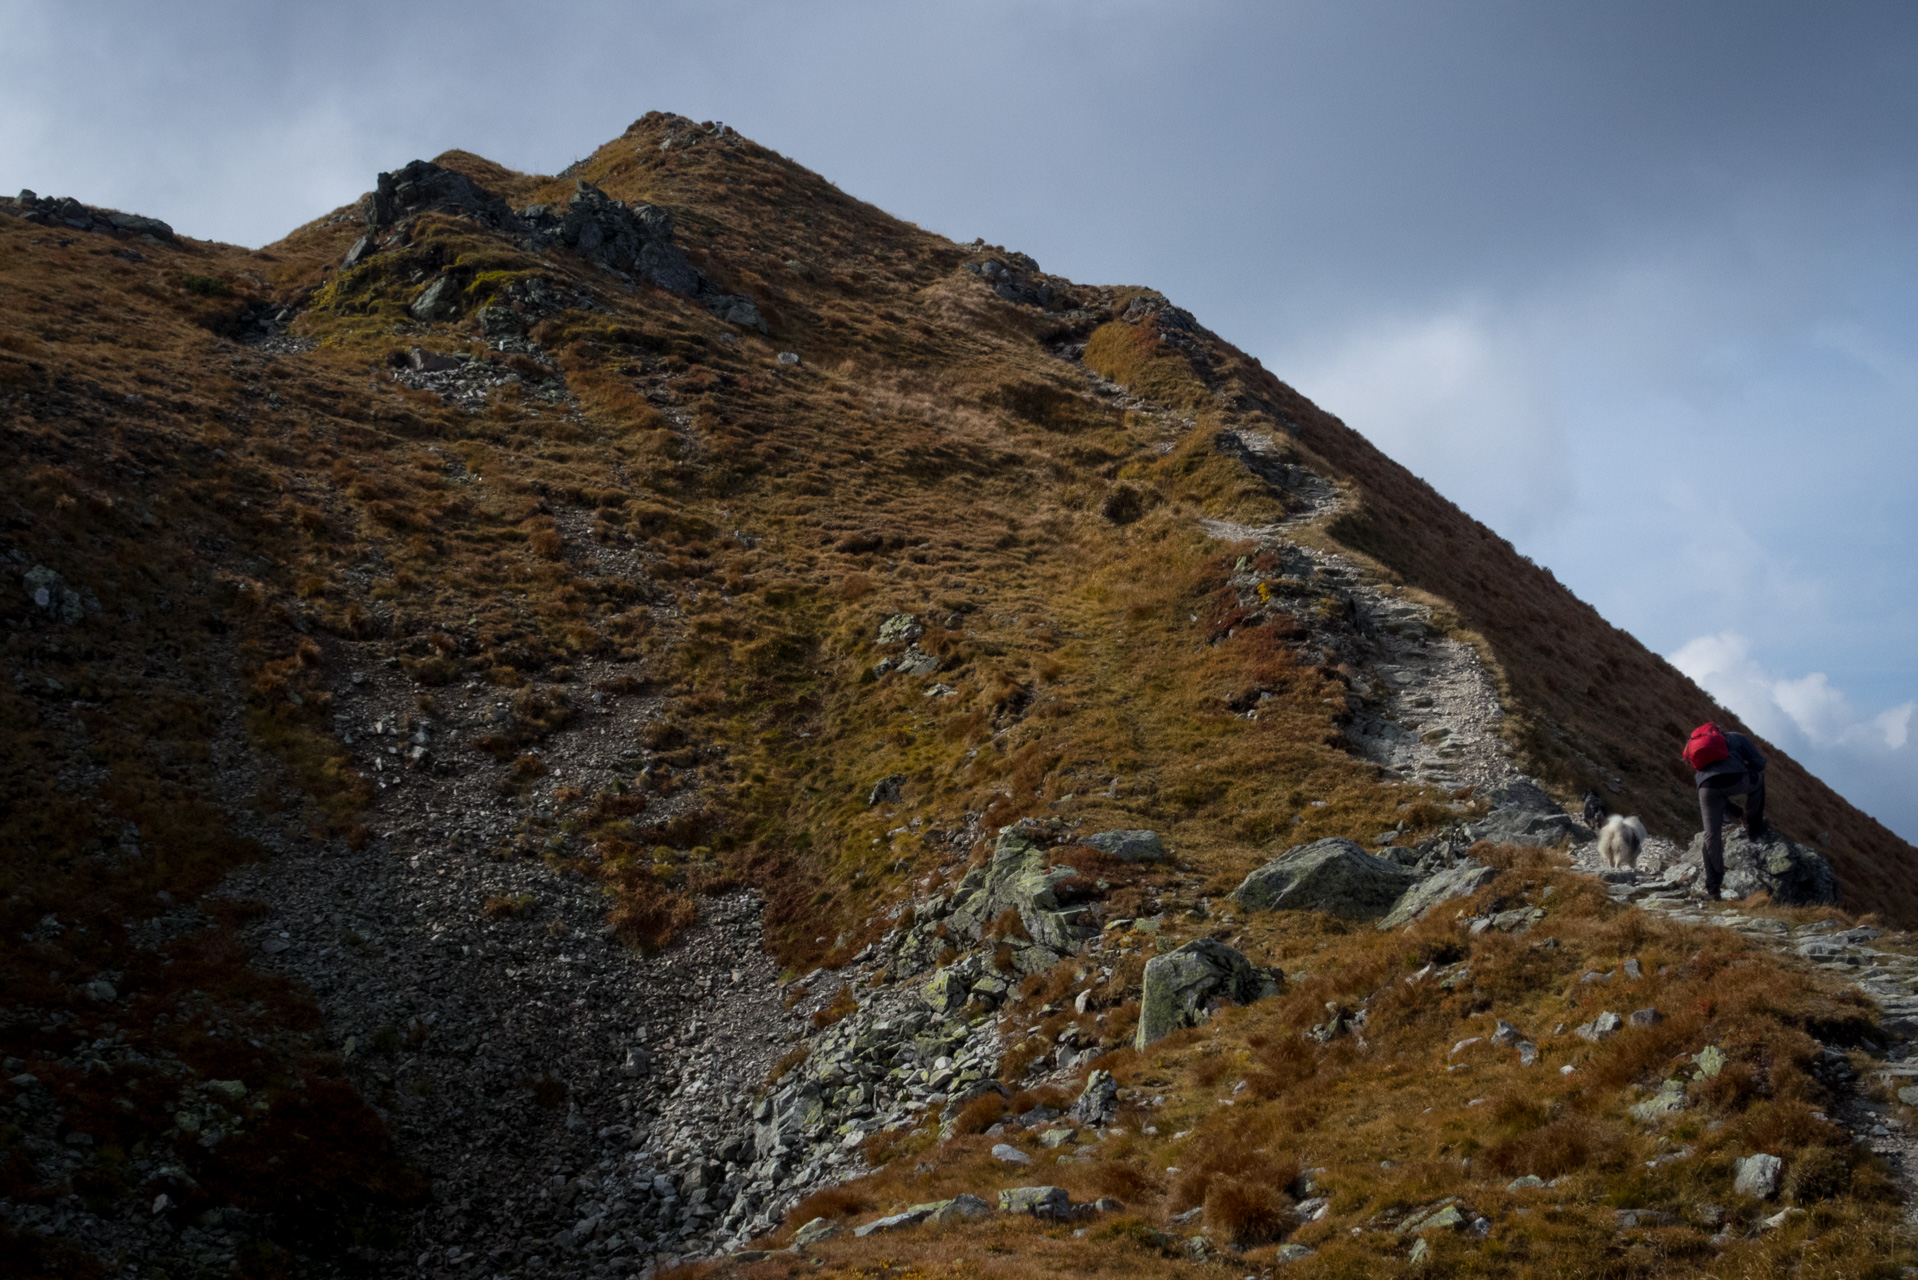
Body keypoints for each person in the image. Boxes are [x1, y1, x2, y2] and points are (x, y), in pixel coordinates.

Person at [1689, 723, 1768, 900]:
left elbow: (1715, 786)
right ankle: (1753, 829)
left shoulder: (1697, 747)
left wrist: (1736, 811)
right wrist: (1745, 764)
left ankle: (1713, 889)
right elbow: (1760, 764)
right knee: (1759, 780)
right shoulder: (1736, 737)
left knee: (1711, 835)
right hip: (1735, 779)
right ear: (1719, 730)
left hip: (1706, 787)